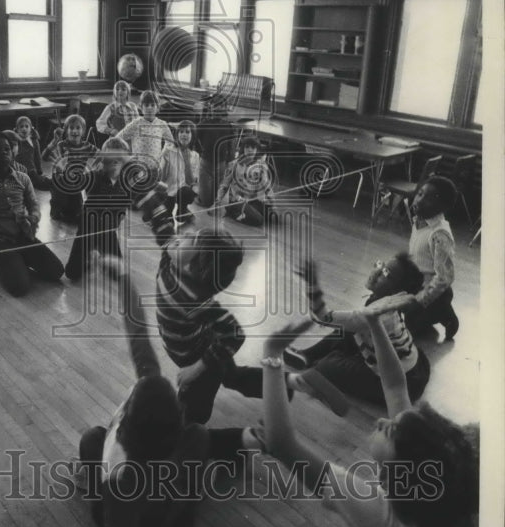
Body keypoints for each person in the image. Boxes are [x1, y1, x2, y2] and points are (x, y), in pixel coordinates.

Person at [7, 256, 262, 527]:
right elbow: (138, 334)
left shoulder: (123, 481)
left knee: (92, 442)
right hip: (172, 481)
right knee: (197, 439)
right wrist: (125, 277)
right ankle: (242, 443)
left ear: (127, 426)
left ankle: (236, 448)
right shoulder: (179, 431)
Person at [264, 283, 477, 527]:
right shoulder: (433, 504)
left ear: (399, 477)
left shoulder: (380, 513)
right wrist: (373, 324)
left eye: (392, 430)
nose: (385, 419)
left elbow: (281, 442)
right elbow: (395, 386)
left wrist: (272, 356)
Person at [130, 191, 348, 424]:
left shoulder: (195, 299)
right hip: (200, 345)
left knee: (195, 412)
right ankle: (294, 382)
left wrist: (197, 368)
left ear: (196, 267)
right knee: (235, 378)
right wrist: (136, 180)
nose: (184, 235)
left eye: (190, 240)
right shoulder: (172, 256)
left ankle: (186, 434)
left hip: (199, 356)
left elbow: (235, 334)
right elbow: (160, 221)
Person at [282, 254, 430, 406]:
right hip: (412, 367)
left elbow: (322, 316)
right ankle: (308, 355)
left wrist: (312, 284)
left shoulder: (374, 316)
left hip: (399, 383)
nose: (377, 272)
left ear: (396, 293)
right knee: (348, 329)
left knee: (327, 366)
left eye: (386, 273)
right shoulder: (385, 305)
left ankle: (315, 359)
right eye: (382, 265)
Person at [0, 131, 64, 297]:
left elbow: (34, 205)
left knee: (57, 271)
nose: (4, 152)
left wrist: (33, 218)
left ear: (12, 153)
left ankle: (16, 259)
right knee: (20, 288)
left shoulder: (23, 178)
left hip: (23, 236)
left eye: (7, 149)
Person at [64, 137, 132, 281]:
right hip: (88, 229)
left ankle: (99, 250)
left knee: (118, 274)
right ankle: (91, 250)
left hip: (108, 229)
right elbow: (77, 181)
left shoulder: (125, 180)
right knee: (73, 273)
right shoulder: (95, 176)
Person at [404, 176, 460, 340]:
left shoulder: (440, 234)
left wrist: (420, 300)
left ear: (442, 206)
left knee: (411, 327)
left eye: (429, 199)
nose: (420, 201)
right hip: (415, 282)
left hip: (434, 291)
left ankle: (446, 315)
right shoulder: (418, 221)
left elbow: (444, 277)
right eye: (420, 194)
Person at [43, 113, 97, 224]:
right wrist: (54, 142)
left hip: (75, 183)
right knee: (59, 210)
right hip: (60, 182)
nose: (74, 131)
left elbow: (101, 155)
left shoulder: (87, 146)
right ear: (66, 131)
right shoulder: (61, 145)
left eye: (78, 128)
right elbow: (44, 157)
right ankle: (55, 207)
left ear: (83, 131)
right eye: (71, 128)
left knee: (75, 214)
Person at [212, 135, 273, 227]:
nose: (250, 150)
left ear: (257, 150)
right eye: (247, 147)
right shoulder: (234, 164)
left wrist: (271, 200)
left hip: (251, 200)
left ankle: (248, 212)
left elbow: (266, 186)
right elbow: (224, 185)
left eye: (253, 147)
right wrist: (217, 201)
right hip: (237, 201)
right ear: (243, 149)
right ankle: (233, 212)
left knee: (271, 217)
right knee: (258, 220)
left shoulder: (261, 166)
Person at [116, 90, 174, 173]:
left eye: (153, 105)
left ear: (157, 107)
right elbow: (118, 138)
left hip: (155, 168)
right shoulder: (136, 124)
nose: (149, 108)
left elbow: (170, 142)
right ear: (141, 107)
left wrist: (163, 155)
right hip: (137, 168)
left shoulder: (162, 124)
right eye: (146, 105)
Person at [159, 119, 200, 226]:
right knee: (168, 223)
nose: (184, 135)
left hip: (182, 191)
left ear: (193, 135)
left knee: (188, 192)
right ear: (177, 135)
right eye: (181, 132)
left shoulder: (195, 155)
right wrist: (164, 160)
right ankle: (165, 211)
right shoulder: (169, 151)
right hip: (167, 191)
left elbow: (191, 182)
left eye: (187, 132)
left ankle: (182, 210)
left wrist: (187, 161)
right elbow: (161, 178)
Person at [14, 115, 51, 190]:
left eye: (26, 126)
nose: (24, 129)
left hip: (31, 171)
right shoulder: (15, 141)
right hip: (19, 172)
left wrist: (39, 170)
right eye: (21, 127)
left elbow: (37, 157)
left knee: (42, 183)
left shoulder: (34, 141)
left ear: (31, 129)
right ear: (17, 129)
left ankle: (51, 183)